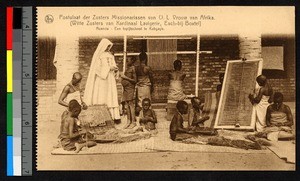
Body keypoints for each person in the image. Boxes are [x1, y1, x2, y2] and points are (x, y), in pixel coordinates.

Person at [83, 38, 121, 122]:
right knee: (103, 95)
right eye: (106, 46)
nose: (108, 48)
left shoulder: (110, 55)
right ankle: (102, 117)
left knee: (111, 95)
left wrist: (115, 69)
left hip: (110, 78)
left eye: (109, 46)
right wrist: (108, 68)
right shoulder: (99, 56)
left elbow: (113, 65)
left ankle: (115, 117)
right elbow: (97, 69)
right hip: (102, 79)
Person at [120, 57, 137, 129]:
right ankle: (128, 121)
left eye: (128, 61)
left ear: (132, 61)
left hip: (130, 88)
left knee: (131, 105)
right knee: (127, 105)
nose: (127, 62)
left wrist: (125, 77)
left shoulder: (133, 69)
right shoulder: (127, 68)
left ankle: (133, 122)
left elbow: (135, 80)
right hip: (126, 89)